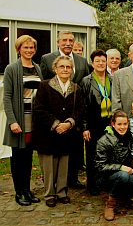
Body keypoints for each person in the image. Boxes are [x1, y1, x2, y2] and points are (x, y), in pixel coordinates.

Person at [40, 30, 90, 189]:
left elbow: (85, 86)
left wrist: (75, 120)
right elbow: (45, 87)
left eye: (71, 40)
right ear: (58, 42)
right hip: (53, 113)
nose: (68, 43)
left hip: (74, 112)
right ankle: (52, 183)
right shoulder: (47, 59)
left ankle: (72, 179)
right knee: (53, 153)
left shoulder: (82, 61)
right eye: (64, 40)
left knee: (73, 151)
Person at [32, 56, 84, 207]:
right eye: (62, 66)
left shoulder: (76, 88)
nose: (65, 70)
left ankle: (61, 192)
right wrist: (56, 124)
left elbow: (80, 109)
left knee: (63, 165)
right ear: (55, 69)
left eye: (68, 67)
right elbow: (39, 108)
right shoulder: (44, 86)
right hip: (48, 133)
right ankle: (49, 194)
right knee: (49, 166)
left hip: (67, 133)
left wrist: (69, 123)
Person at [3, 35, 42, 206]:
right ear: (19, 49)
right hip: (19, 120)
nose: (29, 50)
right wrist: (12, 121)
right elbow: (7, 97)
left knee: (27, 157)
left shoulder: (37, 68)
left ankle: (27, 190)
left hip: (33, 121)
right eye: (25, 47)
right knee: (17, 158)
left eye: (31, 47)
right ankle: (19, 192)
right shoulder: (11, 69)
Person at [95, 111, 133, 221]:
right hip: (107, 177)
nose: (122, 127)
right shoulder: (104, 141)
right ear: (113, 124)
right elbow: (100, 166)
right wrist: (120, 167)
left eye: (125, 124)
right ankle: (110, 204)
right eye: (119, 124)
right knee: (123, 176)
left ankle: (123, 195)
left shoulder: (129, 137)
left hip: (126, 173)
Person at [81, 49, 112, 195]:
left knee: (108, 154)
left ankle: (105, 183)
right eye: (97, 61)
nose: (101, 63)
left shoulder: (111, 79)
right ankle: (92, 185)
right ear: (92, 63)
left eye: (103, 61)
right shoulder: (87, 81)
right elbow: (84, 106)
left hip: (109, 122)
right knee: (93, 155)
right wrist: (85, 127)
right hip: (93, 124)